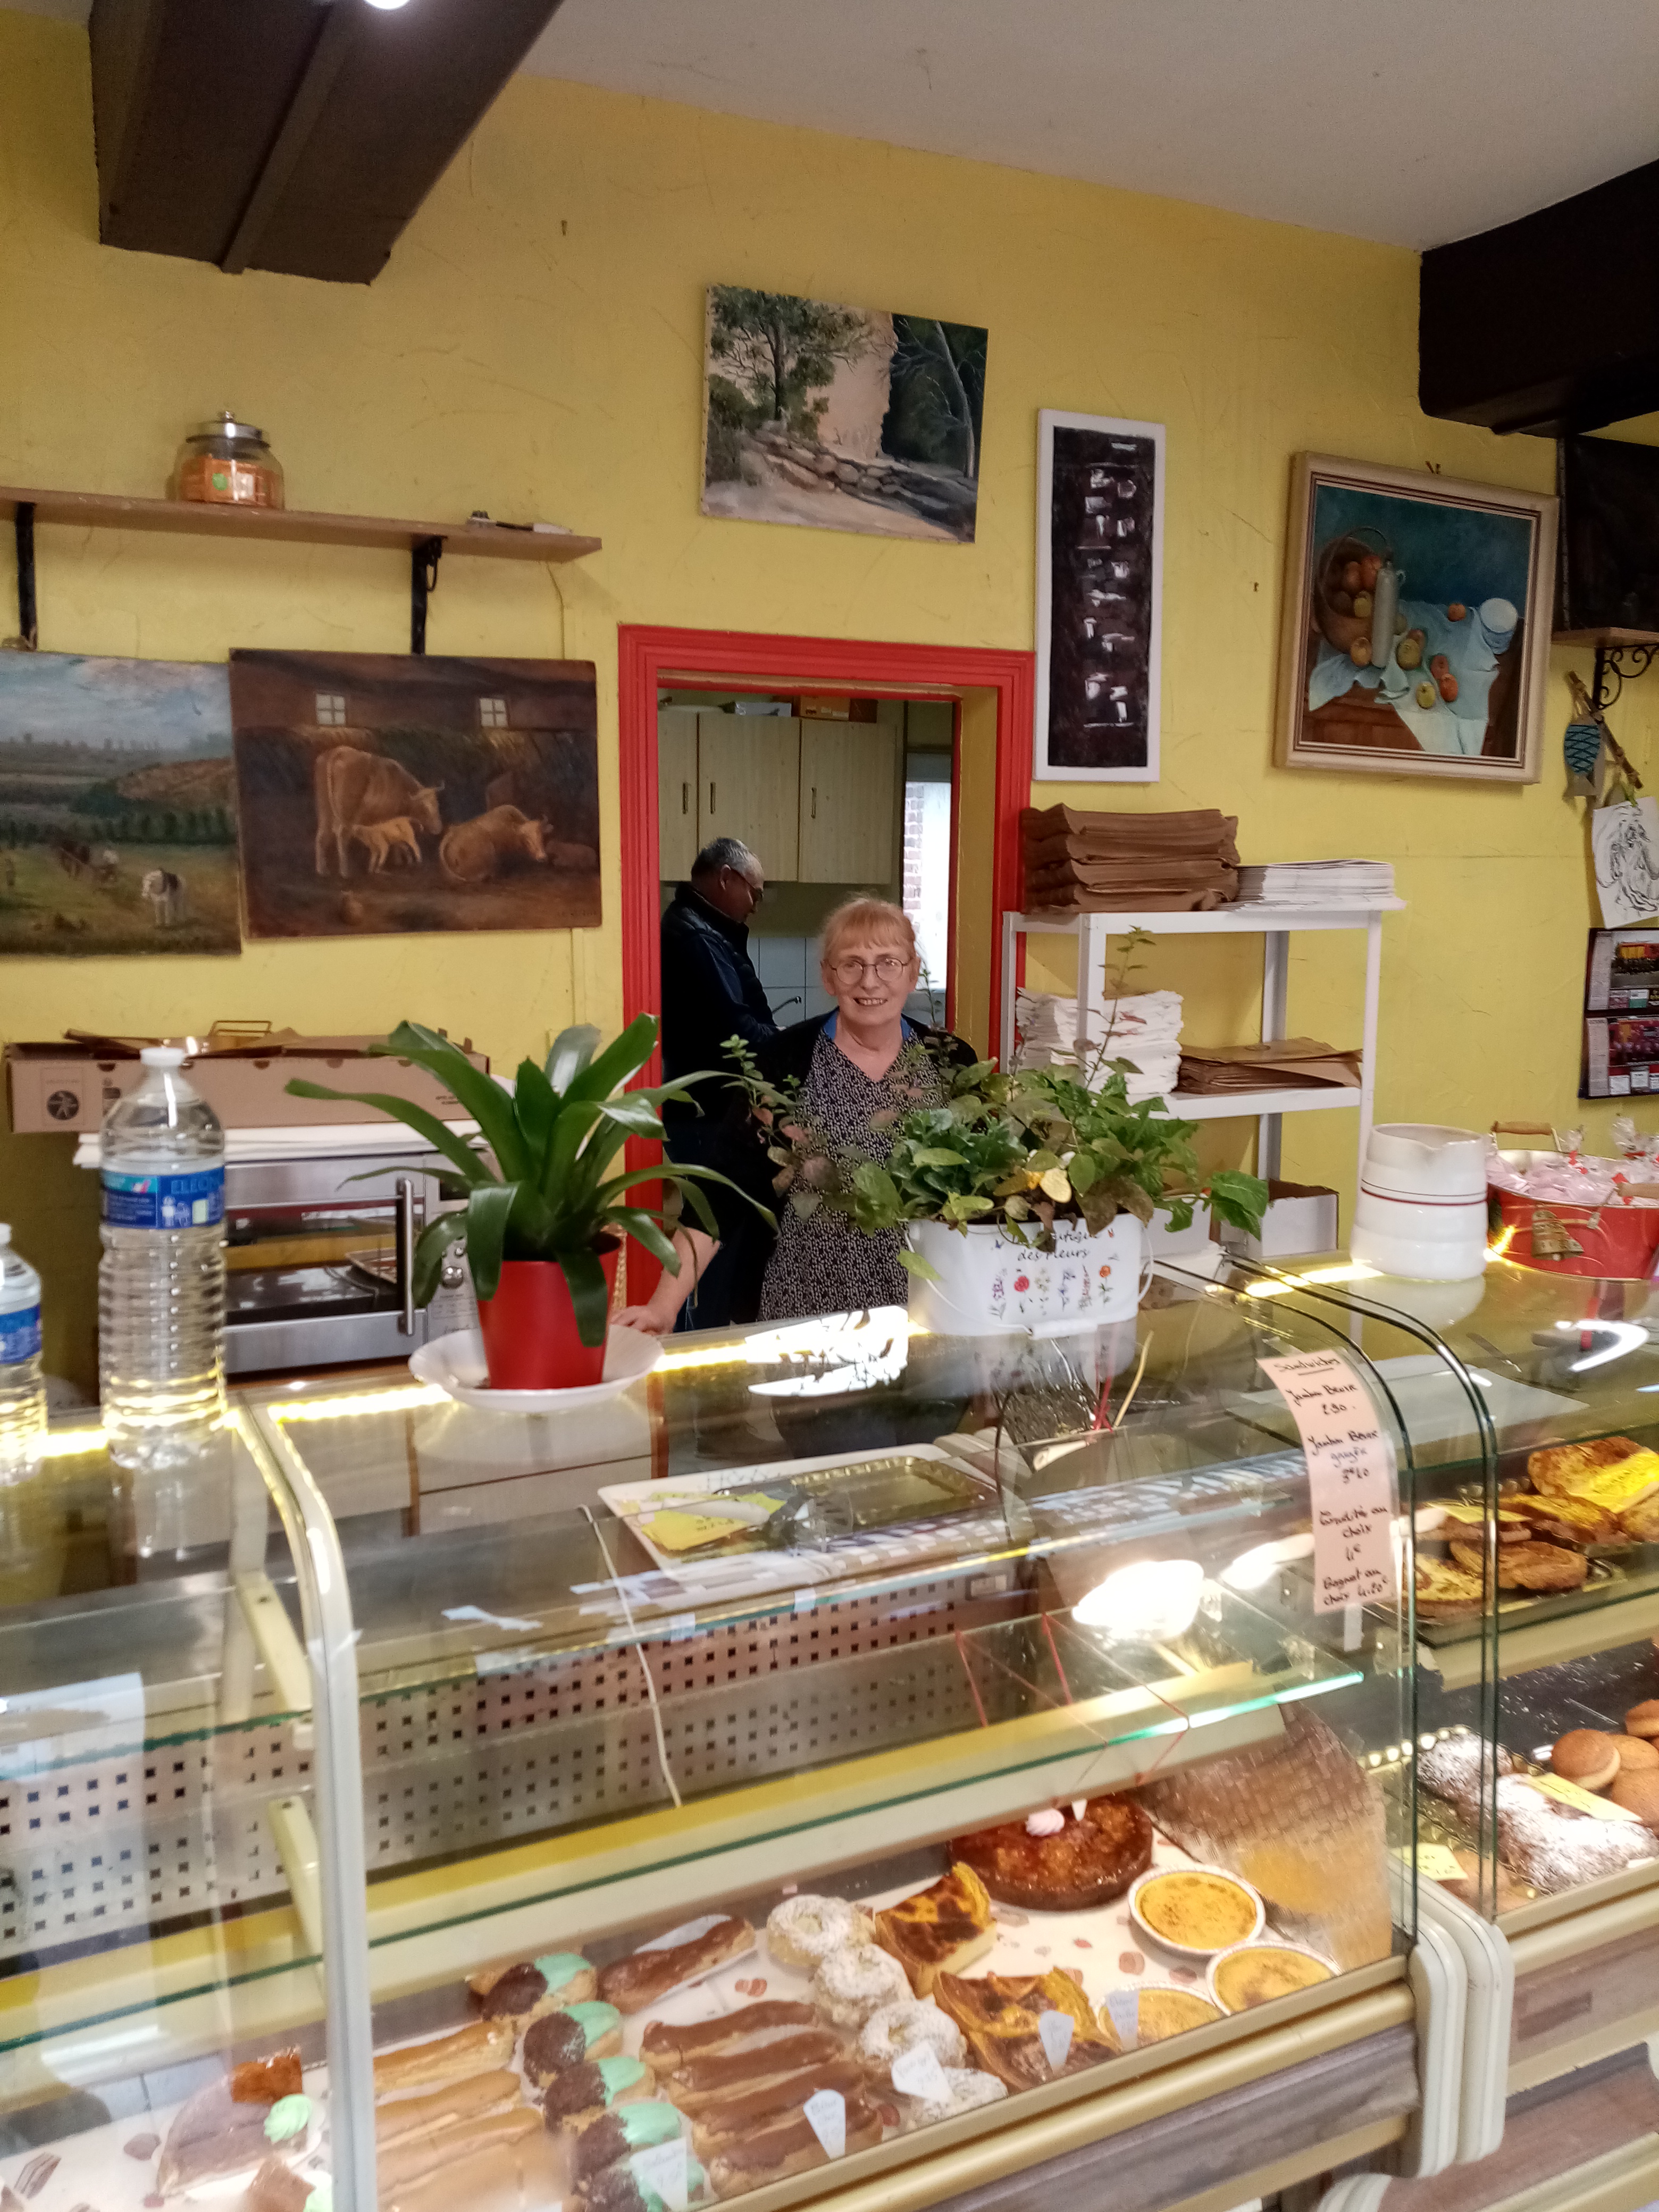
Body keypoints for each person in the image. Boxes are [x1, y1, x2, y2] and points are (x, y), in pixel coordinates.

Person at [619, 898, 975, 1335]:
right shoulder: (782, 1062)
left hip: (925, 1305)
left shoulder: (951, 1061)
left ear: (912, 970)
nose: (870, 981)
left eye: (888, 963)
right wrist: (662, 1307)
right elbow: (723, 1194)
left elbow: (979, 1189)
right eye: (851, 965)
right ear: (828, 976)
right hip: (802, 1306)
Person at [657, 836, 778, 1326]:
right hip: (707, 1112)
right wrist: (796, 1046)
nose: (756, 905)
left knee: (718, 1233)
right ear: (727, 878)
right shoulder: (699, 939)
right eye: (756, 892)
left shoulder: (703, 929)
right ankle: (698, 1349)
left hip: (702, 1109)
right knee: (713, 1233)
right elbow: (737, 1029)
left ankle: (710, 1342)